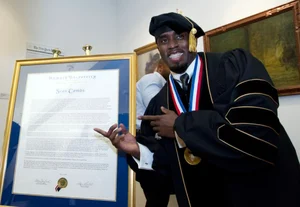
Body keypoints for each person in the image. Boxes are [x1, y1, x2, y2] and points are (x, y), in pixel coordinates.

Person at [94, 12, 300, 207]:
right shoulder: (158, 103)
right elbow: (167, 173)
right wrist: (139, 150)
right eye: (164, 40)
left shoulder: (233, 68)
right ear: (158, 48)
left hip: (260, 195)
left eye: (180, 37)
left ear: (193, 40)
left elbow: (257, 137)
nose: (173, 45)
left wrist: (180, 126)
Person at [136, 58, 170, 130]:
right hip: (142, 134)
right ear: (160, 68)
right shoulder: (152, 78)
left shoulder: (165, 84)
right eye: (170, 65)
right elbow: (157, 108)